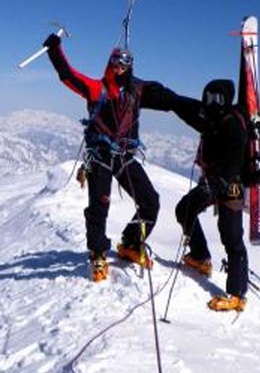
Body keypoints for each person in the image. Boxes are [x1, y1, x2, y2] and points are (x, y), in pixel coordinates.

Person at [42, 32, 178, 282]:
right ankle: (97, 253)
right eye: (116, 62)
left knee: (150, 201)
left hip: (124, 156)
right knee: (99, 205)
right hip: (101, 155)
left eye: (124, 63)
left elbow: (166, 98)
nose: (119, 67)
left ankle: (131, 242)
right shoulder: (98, 89)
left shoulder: (137, 91)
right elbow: (68, 75)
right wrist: (55, 50)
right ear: (110, 62)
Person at [171, 79, 250, 311]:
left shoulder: (232, 123)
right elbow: (182, 106)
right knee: (185, 209)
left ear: (226, 99)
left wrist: (218, 184)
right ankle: (200, 257)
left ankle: (237, 294)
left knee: (231, 237)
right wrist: (160, 97)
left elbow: (235, 161)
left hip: (231, 185)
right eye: (208, 97)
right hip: (214, 182)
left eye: (217, 98)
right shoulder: (211, 119)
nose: (211, 102)